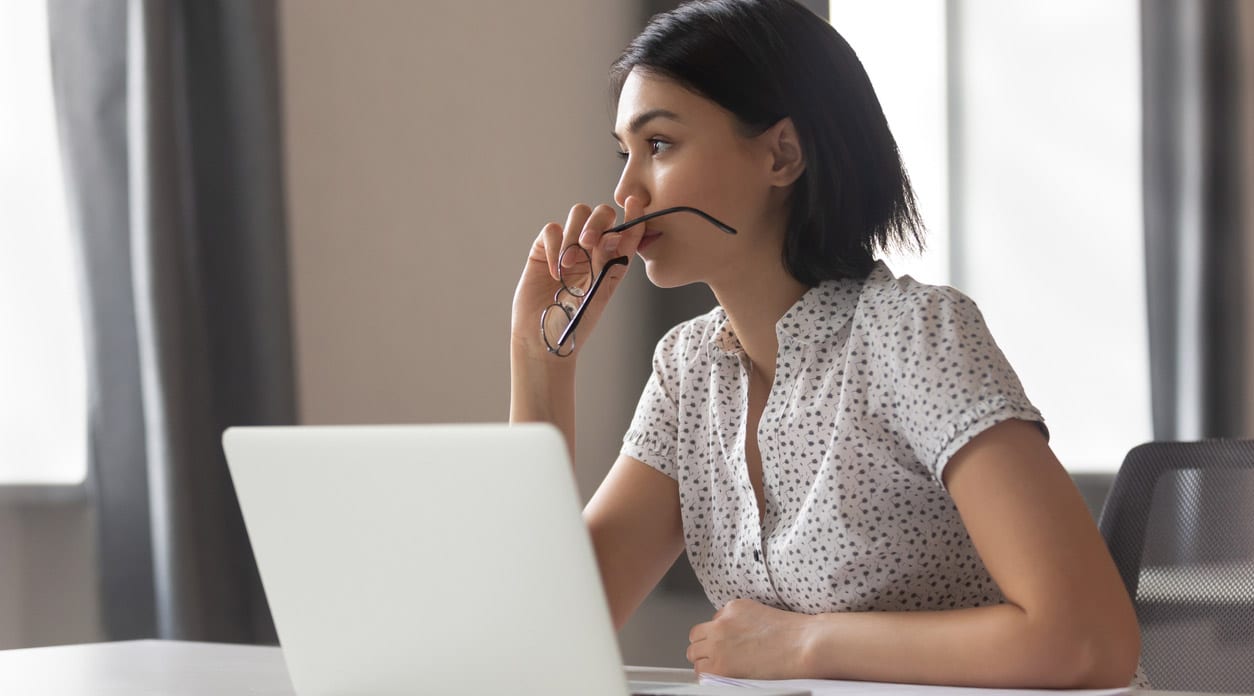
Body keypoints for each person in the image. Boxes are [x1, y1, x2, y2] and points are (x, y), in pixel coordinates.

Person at [509, 0, 1140, 687]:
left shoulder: (914, 337)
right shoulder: (688, 372)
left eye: (658, 145)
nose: (626, 191)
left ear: (782, 153)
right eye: (623, 153)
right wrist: (540, 360)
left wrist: (805, 646)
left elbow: (1086, 640)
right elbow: (543, 625)